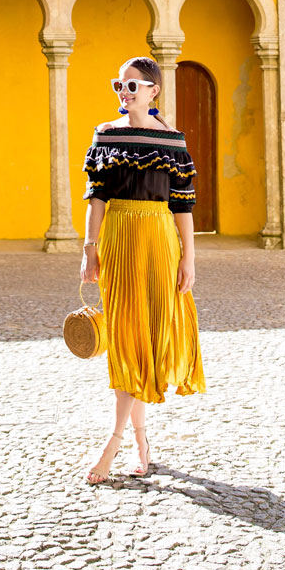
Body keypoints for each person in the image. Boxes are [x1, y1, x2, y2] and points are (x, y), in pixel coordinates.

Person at [80, 55, 206, 484]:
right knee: (123, 337)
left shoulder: (172, 141)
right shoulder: (105, 135)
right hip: (117, 239)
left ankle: (120, 440)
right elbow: (96, 198)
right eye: (119, 85)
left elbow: (183, 206)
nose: (124, 92)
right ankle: (134, 439)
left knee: (143, 338)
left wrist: (189, 257)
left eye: (132, 86)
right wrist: (89, 249)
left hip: (157, 242)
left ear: (153, 91)